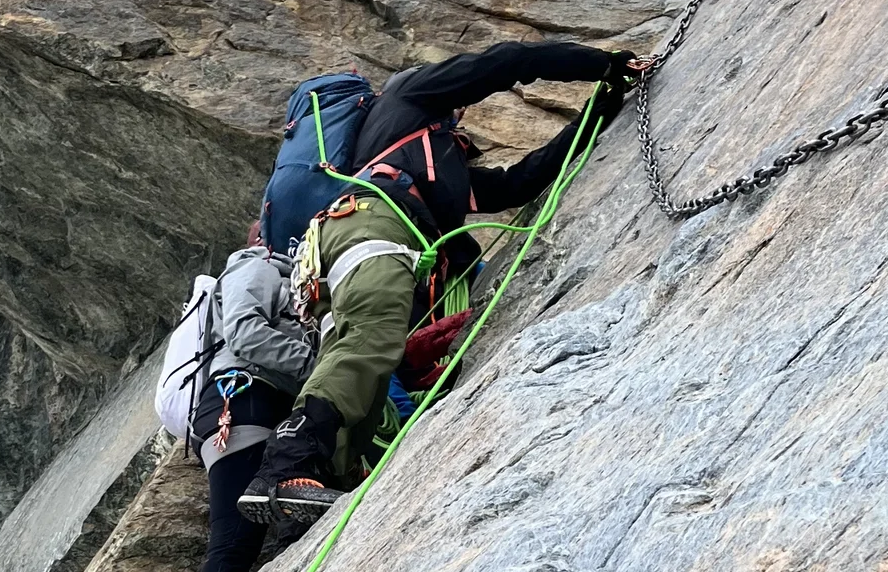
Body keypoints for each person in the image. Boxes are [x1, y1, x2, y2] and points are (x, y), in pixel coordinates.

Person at [239, 39, 636, 530]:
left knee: (363, 372)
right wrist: (603, 64)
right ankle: (286, 465)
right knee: (370, 341)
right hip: (371, 228)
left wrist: (602, 107)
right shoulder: (408, 96)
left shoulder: (434, 158)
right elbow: (506, 63)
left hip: (340, 247)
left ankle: (310, 485)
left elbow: (517, 184)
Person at [185, 230, 316, 572]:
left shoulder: (291, 280)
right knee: (234, 542)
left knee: (249, 534)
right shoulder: (255, 267)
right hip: (242, 401)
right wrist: (316, 366)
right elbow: (246, 335)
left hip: (248, 404)